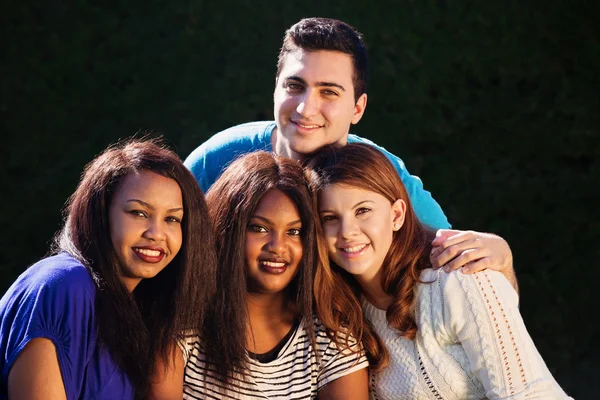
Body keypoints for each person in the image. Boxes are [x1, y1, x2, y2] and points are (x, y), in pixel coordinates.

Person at [184, 17, 516, 282]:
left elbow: (460, 268)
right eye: (295, 87)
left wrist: (501, 258)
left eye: (329, 92)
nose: (305, 108)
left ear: (358, 108)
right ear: (275, 91)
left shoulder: (380, 173)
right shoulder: (219, 159)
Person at [307, 143, 572, 399]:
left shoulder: (459, 278)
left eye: (363, 211)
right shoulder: (344, 313)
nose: (347, 232)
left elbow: (529, 394)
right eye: (330, 218)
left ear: (397, 215)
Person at [0, 138, 216, 399]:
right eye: (138, 213)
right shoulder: (63, 285)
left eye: (172, 219)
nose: (157, 234)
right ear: (100, 214)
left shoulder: (138, 309)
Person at [150, 151, 368, 399]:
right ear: (227, 230)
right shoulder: (180, 325)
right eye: (260, 228)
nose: (278, 246)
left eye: (295, 232)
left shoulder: (331, 339)